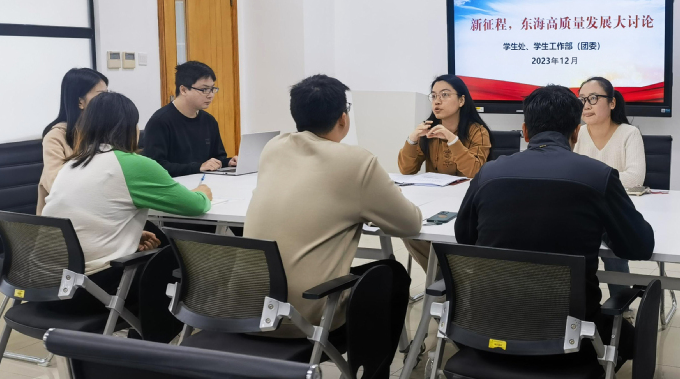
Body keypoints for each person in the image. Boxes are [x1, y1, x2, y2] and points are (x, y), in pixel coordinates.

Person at [455, 85, 655, 368]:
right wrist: (602, 226)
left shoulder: (488, 174)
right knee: (632, 338)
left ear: (525, 132)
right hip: (571, 337)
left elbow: (464, 237)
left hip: (488, 329)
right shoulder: (598, 176)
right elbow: (640, 246)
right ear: (576, 133)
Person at [245, 74, 422, 337]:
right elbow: (410, 224)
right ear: (343, 118)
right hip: (304, 318)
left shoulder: (273, 147)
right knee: (392, 274)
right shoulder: (356, 161)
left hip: (247, 310)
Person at [43, 92, 213, 276]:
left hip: (48, 278)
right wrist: (202, 192)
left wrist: (131, 235)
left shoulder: (71, 164)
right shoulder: (133, 164)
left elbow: (86, 215)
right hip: (93, 279)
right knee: (177, 256)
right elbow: (195, 206)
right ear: (130, 128)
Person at [398, 74, 491, 270]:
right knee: (409, 231)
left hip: (466, 203)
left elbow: (474, 171)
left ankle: (447, 279)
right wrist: (412, 139)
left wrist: (452, 140)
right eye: (433, 96)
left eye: (445, 95)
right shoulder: (428, 131)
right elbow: (406, 170)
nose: (437, 101)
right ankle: (447, 279)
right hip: (434, 201)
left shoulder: (477, 131)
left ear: (461, 100)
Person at [574, 77, 646, 302]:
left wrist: (590, 182)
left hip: (616, 209)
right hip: (583, 210)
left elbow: (635, 178)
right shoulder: (577, 133)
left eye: (593, 98)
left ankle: (621, 307)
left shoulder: (629, 133)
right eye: (582, 99)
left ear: (612, 103)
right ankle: (581, 307)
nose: (586, 105)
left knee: (615, 248)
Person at [143, 61, 235, 176]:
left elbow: (217, 158)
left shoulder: (209, 121)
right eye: (204, 89)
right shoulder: (160, 121)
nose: (211, 95)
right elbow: (155, 166)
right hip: (174, 184)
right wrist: (198, 167)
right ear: (184, 90)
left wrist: (228, 162)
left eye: (212, 89)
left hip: (205, 181)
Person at [38, 68, 108, 214]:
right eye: (101, 95)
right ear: (80, 102)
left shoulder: (102, 131)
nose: (107, 101)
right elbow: (57, 187)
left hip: (96, 211)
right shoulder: (55, 137)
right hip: (63, 218)